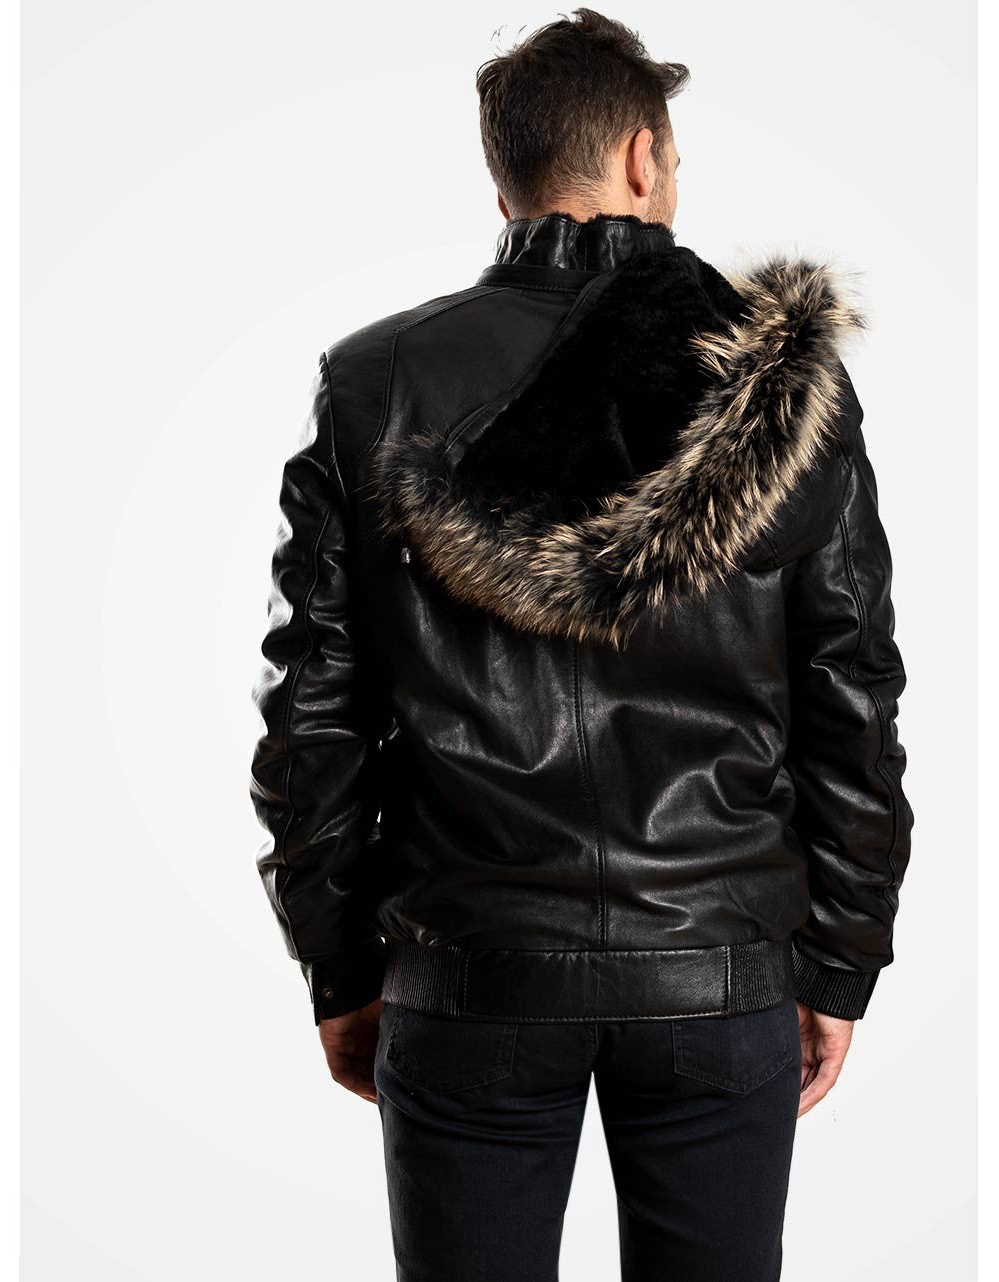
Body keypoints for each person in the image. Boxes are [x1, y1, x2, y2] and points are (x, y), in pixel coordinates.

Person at [249, 9, 913, 1280]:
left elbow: (311, 717)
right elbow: (852, 695)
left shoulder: (374, 380)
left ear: (501, 180)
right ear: (644, 156)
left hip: (468, 976)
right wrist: (838, 961)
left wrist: (339, 965)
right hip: (717, 973)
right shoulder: (782, 384)